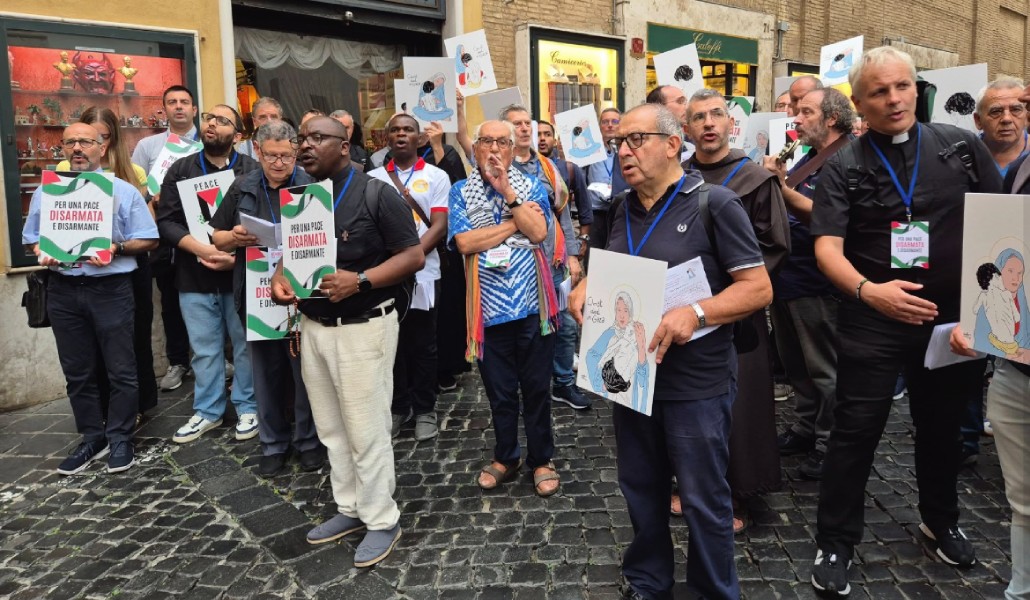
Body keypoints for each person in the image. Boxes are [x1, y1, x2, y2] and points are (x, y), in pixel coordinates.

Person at [808, 46, 1003, 596]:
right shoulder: (844, 163)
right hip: (874, 317)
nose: (894, 100)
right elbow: (827, 249)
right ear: (859, 103)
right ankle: (835, 541)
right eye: (879, 92)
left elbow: (999, 226)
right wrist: (872, 293)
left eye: (902, 87)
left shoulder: (961, 147)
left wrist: (983, 314)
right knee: (855, 431)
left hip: (949, 322)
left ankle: (940, 521)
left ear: (916, 88)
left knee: (943, 429)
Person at [570, 103, 771, 600]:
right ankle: (648, 580)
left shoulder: (715, 204)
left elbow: (758, 288)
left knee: (703, 498)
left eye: (636, 140)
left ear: (672, 144)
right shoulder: (618, 207)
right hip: (631, 376)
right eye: (619, 142)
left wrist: (696, 314)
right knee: (641, 487)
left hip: (695, 381)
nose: (624, 151)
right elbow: (609, 267)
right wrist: (584, 286)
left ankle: (712, 591)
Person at [270, 116, 423, 567]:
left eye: (318, 138)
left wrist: (361, 279)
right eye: (303, 138)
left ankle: (382, 519)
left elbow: (413, 255)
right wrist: (281, 278)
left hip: (363, 327)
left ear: (345, 145)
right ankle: (351, 508)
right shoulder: (301, 199)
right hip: (315, 328)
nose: (306, 146)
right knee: (333, 430)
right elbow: (293, 255)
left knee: (366, 428)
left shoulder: (377, 193)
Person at [22, 123, 159, 474]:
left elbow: (149, 239)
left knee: (121, 370)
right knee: (78, 371)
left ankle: (121, 437)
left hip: (109, 290)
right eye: (70, 142)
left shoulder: (122, 191)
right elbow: (30, 239)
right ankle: (92, 437)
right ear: (63, 149)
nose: (78, 148)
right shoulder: (47, 193)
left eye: (85, 141)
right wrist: (41, 249)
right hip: (64, 289)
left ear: (102, 147)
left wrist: (115, 247)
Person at [684, 88, 790, 533]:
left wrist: (727, 285)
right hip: (683, 308)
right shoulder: (678, 175)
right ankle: (688, 482)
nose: (708, 123)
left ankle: (736, 492)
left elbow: (775, 245)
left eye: (716, 115)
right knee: (689, 404)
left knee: (738, 405)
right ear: (686, 130)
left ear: (731, 124)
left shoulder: (755, 180)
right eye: (698, 118)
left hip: (737, 313)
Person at [449, 119, 563, 496]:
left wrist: (508, 195)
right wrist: (514, 225)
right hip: (487, 309)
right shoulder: (460, 191)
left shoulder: (530, 185)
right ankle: (506, 456)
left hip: (533, 305)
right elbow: (465, 243)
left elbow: (540, 232)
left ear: (513, 150)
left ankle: (541, 459)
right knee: (499, 392)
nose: (494, 149)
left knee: (535, 388)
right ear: (476, 147)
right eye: (487, 141)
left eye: (502, 142)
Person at [209, 119, 325, 477]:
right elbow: (216, 237)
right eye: (272, 156)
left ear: (296, 152)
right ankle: (273, 445)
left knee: (306, 374)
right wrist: (235, 238)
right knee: (266, 374)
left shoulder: (311, 186)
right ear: (257, 152)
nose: (279, 163)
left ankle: (309, 443)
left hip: (301, 292)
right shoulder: (241, 187)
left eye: (286, 156)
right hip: (256, 295)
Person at [761, 87, 855, 480]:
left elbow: (831, 217)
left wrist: (779, 189)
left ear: (832, 118)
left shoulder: (848, 158)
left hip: (818, 282)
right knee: (796, 364)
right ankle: (805, 427)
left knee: (823, 368)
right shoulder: (811, 157)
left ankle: (828, 442)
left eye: (805, 112)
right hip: (789, 276)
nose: (796, 119)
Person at [156, 104, 261, 444]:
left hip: (240, 274)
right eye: (209, 119)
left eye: (222, 120)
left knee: (246, 345)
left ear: (239, 135)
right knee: (204, 348)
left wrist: (236, 258)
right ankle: (208, 411)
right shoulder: (181, 169)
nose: (212, 124)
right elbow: (167, 221)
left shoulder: (253, 170)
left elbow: (266, 223)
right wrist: (202, 249)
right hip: (193, 275)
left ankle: (248, 405)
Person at [57, 106, 157, 421]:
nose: (81, 147)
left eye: (101, 136)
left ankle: (136, 405)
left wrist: (116, 244)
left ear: (108, 140)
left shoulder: (132, 173)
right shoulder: (63, 168)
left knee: (132, 339)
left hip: (125, 267)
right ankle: (101, 409)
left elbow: (149, 228)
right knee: (89, 347)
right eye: (81, 137)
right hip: (80, 270)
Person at [367, 114, 451, 441]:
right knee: (391, 343)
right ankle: (399, 406)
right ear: (386, 137)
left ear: (419, 138)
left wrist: (410, 258)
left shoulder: (437, 176)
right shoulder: (371, 178)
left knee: (423, 345)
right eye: (395, 129)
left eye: (408, 130)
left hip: (423, 274)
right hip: (385, 274)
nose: (401, 134)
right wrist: (392, 263)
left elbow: (440, 227)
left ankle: (426, 408)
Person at [501, 104, 587, 410]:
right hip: (515, 268)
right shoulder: (496, 170)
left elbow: (562, 215)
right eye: (517, 124)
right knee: (525, 330)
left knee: (566, 324)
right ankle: (529, 386)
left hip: (555, 262)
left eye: (528, 123)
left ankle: (563, 383)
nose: (525, 128)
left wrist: (574, 256)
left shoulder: (551, 168)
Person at [132, 85, 197, 393]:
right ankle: (178, 360)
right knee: (170, 299)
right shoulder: (148, 146)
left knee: (209, 295)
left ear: (194, 109)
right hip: (165, 234)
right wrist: (151, 197)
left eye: (184, 102)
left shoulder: (207, 141)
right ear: (165, 110)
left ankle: (208, 356)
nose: (179, 107)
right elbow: (134, 189)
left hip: (203, 232)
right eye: (172, 102)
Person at [537, 119, 591, 243]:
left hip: (565, 234)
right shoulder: (524, 170)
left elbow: (585, 206)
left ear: (555, 141)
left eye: (547, 134)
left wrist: (584, 238)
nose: (542, 138)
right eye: (538, 134)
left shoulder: (570, 169)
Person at [583, 108, 621, 257]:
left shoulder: (626, 149)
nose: (610, 125)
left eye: (614, 121)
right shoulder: (590, 149)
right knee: (595, 256)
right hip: (596, 212)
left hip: (619, 210)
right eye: (605, 122)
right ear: (599, 126)